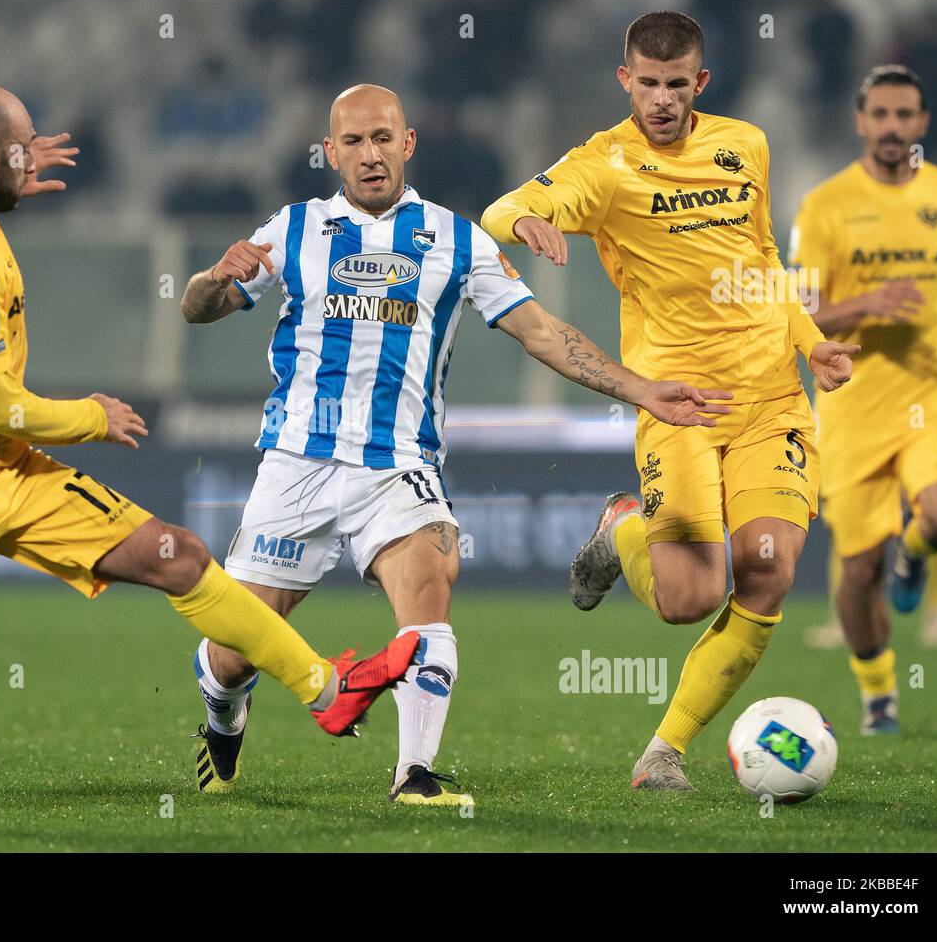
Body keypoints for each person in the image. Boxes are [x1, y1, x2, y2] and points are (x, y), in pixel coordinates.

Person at [0, 82, 418, 745]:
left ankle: (327, 691)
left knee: (176, 556)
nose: (36, 159)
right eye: (23, 148)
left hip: (9, 474)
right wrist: (93, 417)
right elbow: (0, 409)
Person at [182, 83, 733, 805]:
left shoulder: (456, 237)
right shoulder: (293, 229)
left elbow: (543, 333)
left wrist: (642, 390)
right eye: (352, 142)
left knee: (431, 586)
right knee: (230, 656)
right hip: (297, 465)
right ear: (329, 153)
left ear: (407, 144)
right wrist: (213, 279)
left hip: (399, 466)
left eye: (383, 138)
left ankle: (414, 776)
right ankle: (224, 720)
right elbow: (200, 309)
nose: (370, 155)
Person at [482, 12, 857, 790]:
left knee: (767, 570)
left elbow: (762, 262)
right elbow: (499, 210)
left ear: (700, 83)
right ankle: (623, 529)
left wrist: (810, 339)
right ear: (625, 81)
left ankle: (663, 752)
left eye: (674, 84)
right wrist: (524, 219)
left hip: (772, 401)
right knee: (687, 600)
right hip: (679, 403)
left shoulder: (745, 144)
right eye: (645, 84)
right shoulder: (604, 164)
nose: (659, 99)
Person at [790, 65, 937, 732]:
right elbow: (799, 314)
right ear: (862, 123)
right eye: (881, 115)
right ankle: (879, 697)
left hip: (933, 400)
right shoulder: (825, 207)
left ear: (922, 124)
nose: (893, 127)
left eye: (905, 115)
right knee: (858, 570)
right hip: (851, 407)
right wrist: (869, 304)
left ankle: (915, 549)